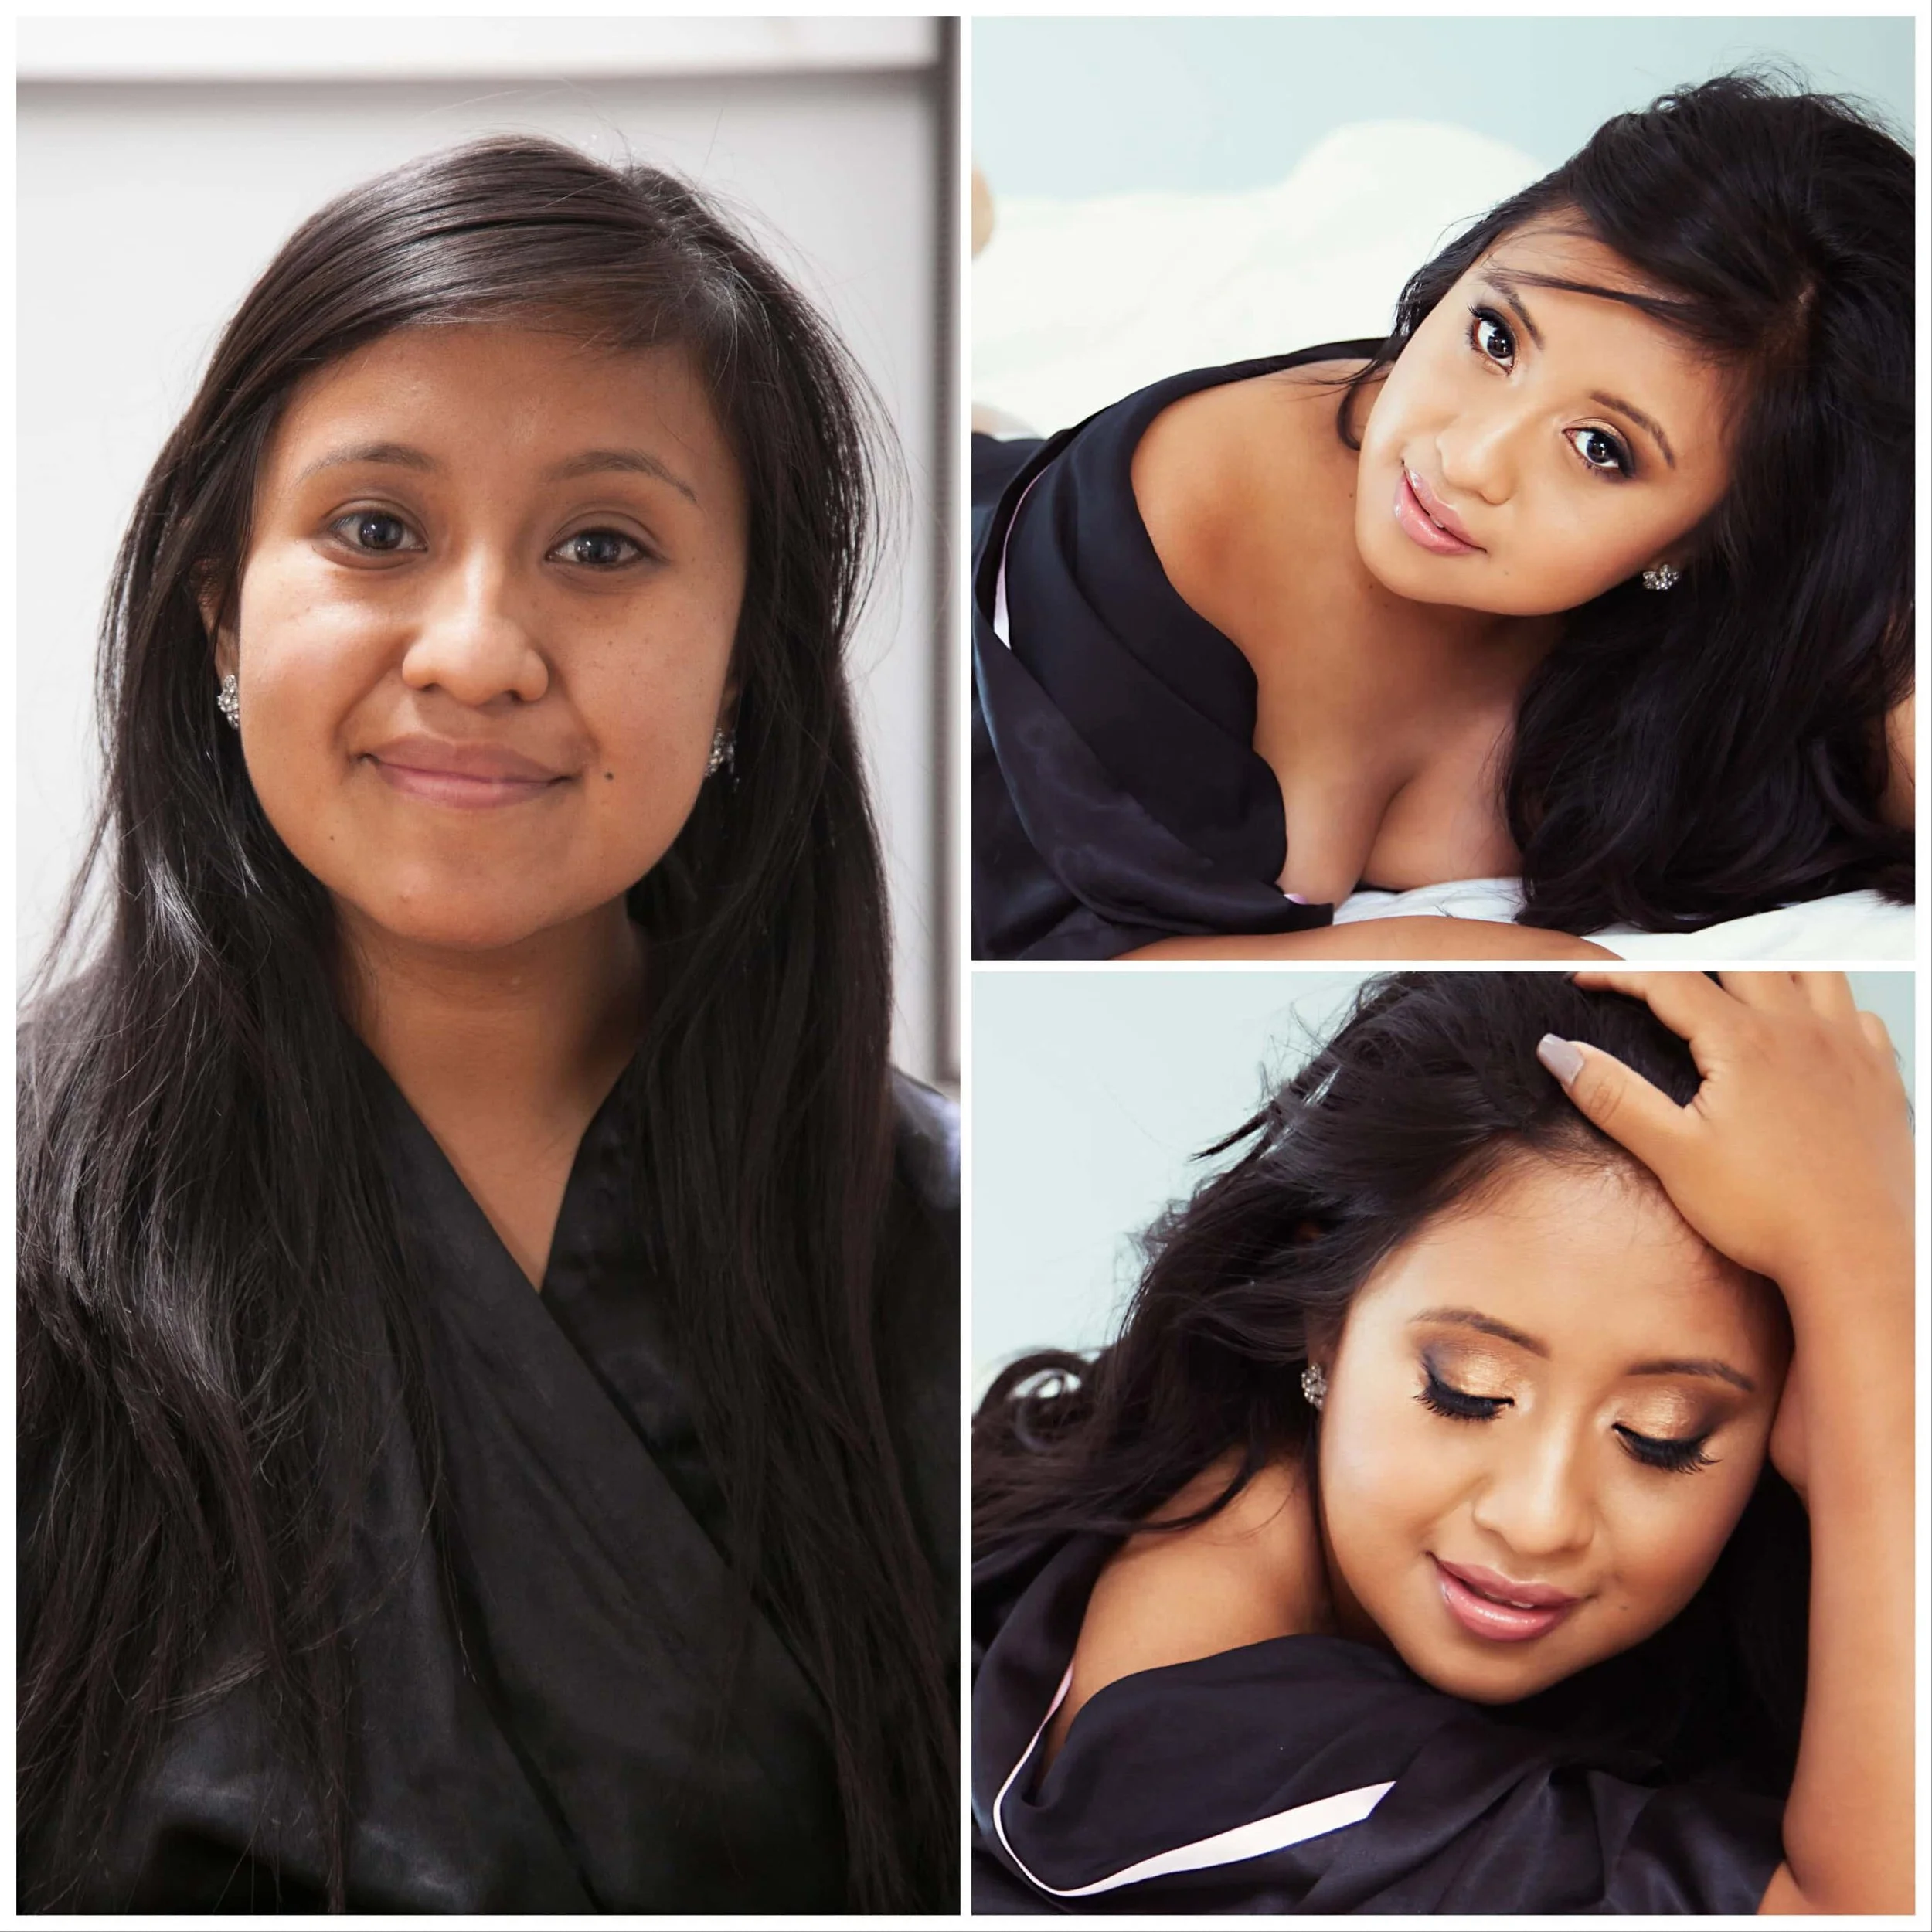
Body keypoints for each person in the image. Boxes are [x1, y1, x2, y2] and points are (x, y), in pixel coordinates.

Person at [18, 138, 957, 1913]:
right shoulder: (29, 1209)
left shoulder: (944, 1240)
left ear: (745, 662)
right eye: (376, 530)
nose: (474, 651)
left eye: (602, 545)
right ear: (219, 606)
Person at [971, 971, 1912, 1913]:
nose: (1538, 1519)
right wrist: (1870, 1284)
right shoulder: (1201, 1745)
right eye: (1470, 1391)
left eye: (1660, 1436)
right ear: (1324, 1320)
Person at [971, 75, 1915, 959]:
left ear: (1711, 537)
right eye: (1494, 337)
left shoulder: (1712, 656)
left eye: (1599, 448)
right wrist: (1431, 948)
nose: (1468, 459)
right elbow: (1015, 936)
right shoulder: (1200, 505)